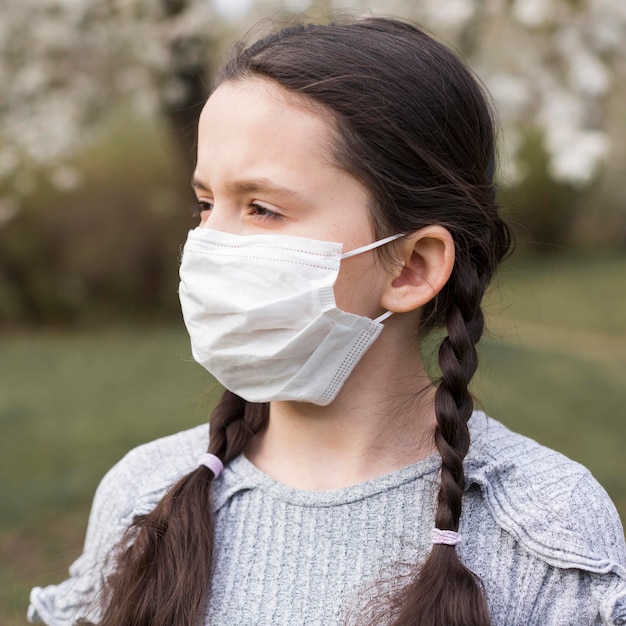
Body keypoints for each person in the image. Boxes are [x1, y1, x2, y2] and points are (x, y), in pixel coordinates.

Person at [28, 17, 625, 626]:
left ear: (411, 268)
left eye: (262, 208)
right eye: (206, 204)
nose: (209, 245)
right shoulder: (145, 493)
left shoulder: (546, 532)